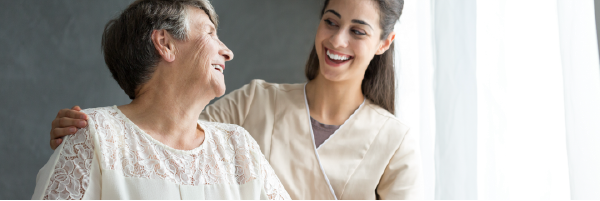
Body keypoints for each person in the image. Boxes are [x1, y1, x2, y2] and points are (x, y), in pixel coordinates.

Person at [48, 0, 422, 199]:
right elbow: (169, 125)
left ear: (384, 43)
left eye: (358, 30)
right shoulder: (255, 103)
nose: (337, 41)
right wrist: (96, 132)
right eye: (330, 21)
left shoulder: (395, 141)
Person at [33, 0, 290, 199]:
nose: (228, 52)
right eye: (210, 33)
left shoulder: (239, 147)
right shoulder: (94, 138)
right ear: (165, 43)